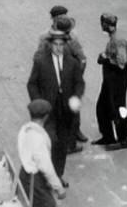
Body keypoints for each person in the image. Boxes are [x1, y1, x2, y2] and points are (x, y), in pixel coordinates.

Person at [26, 29, 85, 184]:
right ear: (50, 45)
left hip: (65, 111)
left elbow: (79, 83)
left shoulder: (71, 62)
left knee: (62, 144)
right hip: (48, 111)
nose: (58, 48)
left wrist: (76, 97)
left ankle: (58, 176)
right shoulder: (41, 62)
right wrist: (38, 103)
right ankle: (46, 176)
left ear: (65, 45)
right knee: (50, 141)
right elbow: (32, 84)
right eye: (55, 44)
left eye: (61, 44)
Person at [17, 98, 69, 207]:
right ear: (46, 116)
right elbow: (46, 166)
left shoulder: (25, 129)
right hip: (35, 177)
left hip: (24, 174)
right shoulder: (38, 137)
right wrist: (58, 188)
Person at [94, 13, 127, 150]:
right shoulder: (113, 38)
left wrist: (106, 59)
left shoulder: (118, 40)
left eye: (102, 23)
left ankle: (123, 139)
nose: (101, 25)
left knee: (119, 107)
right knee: (102, 106)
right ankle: (108, 136)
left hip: (118, 78)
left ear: (107, 25)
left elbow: (121, 62)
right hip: (110, 78)